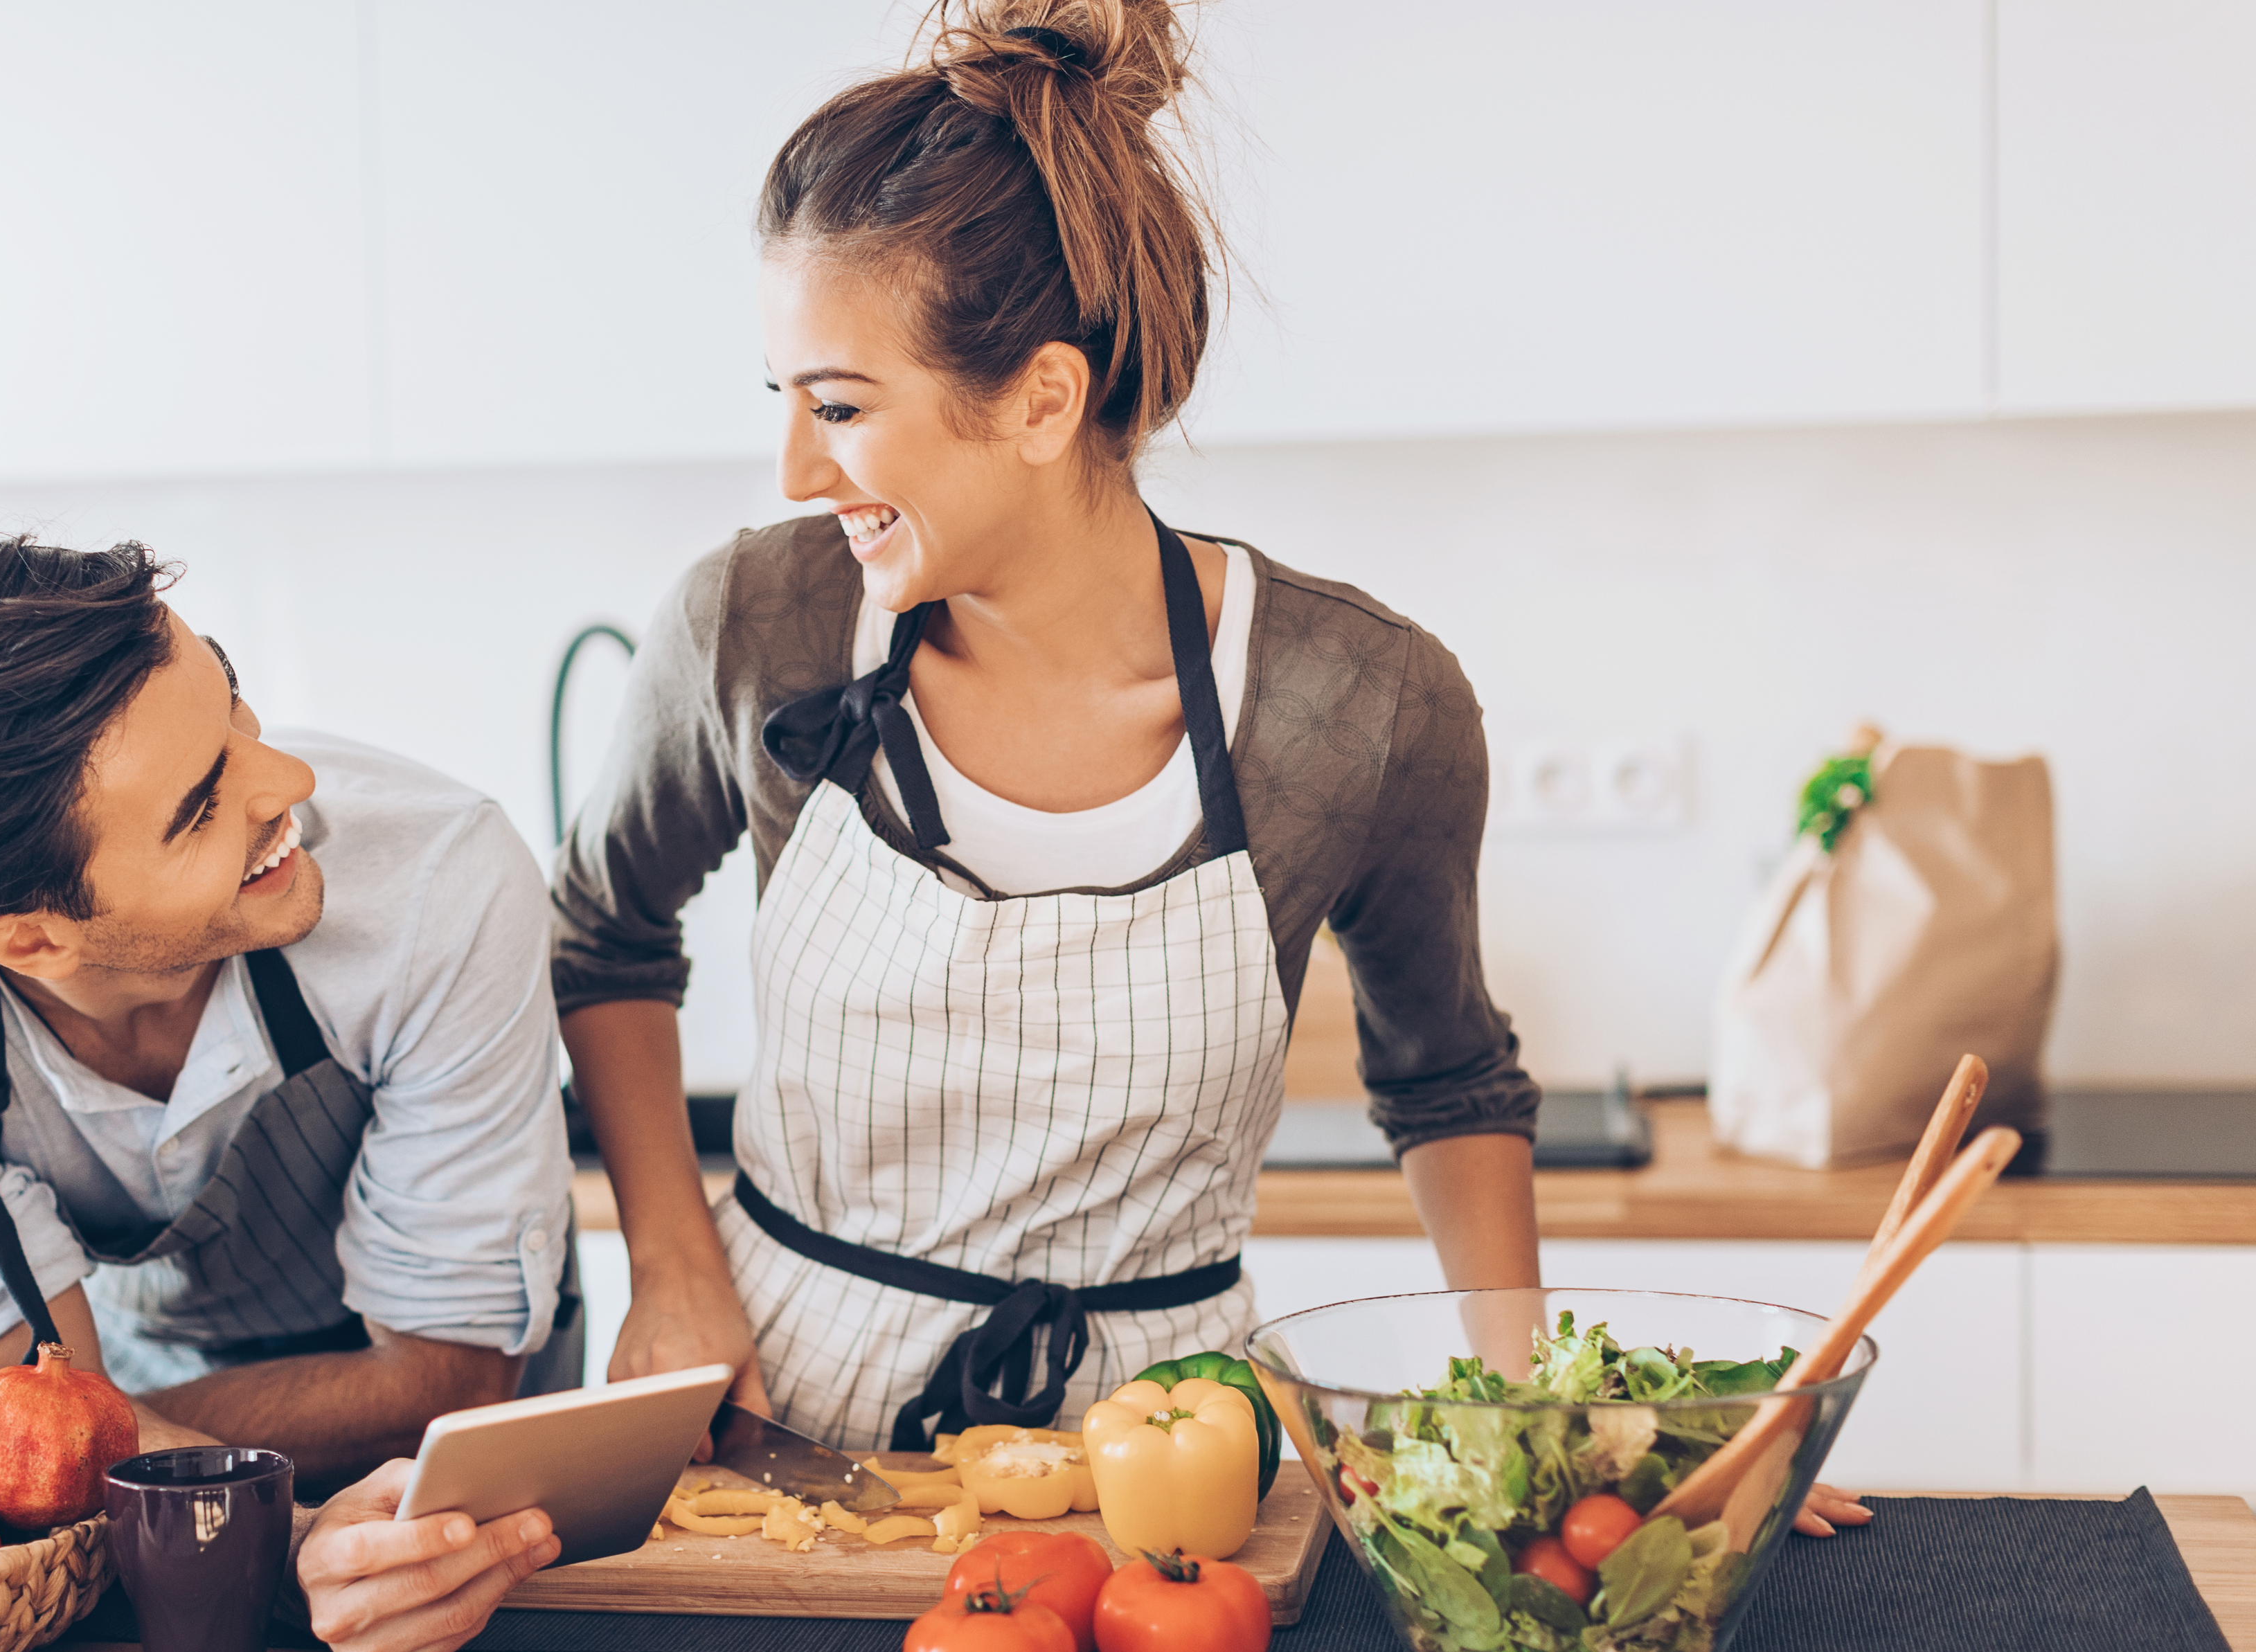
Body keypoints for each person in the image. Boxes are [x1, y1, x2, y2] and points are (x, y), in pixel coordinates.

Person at [552, 0, 1875, 1538]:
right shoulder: (758, 623)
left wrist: (1545, 1426)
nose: (792, 468)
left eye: (839, 408)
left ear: (1042, 399)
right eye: (778, 398)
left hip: (1166, 1471)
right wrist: (668, 1265)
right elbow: (602, 936)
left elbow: (1447, 1078)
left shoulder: (1355, 705)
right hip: (773, 1436)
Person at [0, 538, 573, 1652]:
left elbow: (446, 1385)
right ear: (32, 939)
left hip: (451, 1514)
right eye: (205, 803)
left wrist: (114, 1428)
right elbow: (29, 1404)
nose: (288, 785)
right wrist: (270, 1523)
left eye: (232, 703)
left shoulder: (441, 878)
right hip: (127, 1504)